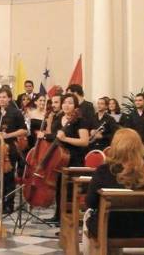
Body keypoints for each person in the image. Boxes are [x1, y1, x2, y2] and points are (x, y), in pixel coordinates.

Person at [83, 129, 144, 253]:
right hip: (139, 227)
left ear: (115, 146)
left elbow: (91, 202)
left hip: (109, 227)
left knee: (87, 216)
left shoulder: (104, 170)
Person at [38, 93, 90, 223]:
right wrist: (44, 136)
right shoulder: (59, 117)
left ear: (76, 106)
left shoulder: (80, 120)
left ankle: (68, 220)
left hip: (74, 159)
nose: (67, 105)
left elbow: (84, 141)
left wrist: (66, 138)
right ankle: (58, 216)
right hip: (59, 159)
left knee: (70, 191)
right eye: (65, 102)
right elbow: (56, 137)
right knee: (59, 188)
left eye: (70, 103)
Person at [0, 86, 27, 214]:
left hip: (10, 148)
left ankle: (9, 204)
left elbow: (24, 130)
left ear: (10, 98)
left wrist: (8, 135)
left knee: (9, 177)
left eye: (4, 97)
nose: (1, 99)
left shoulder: (15, 112)